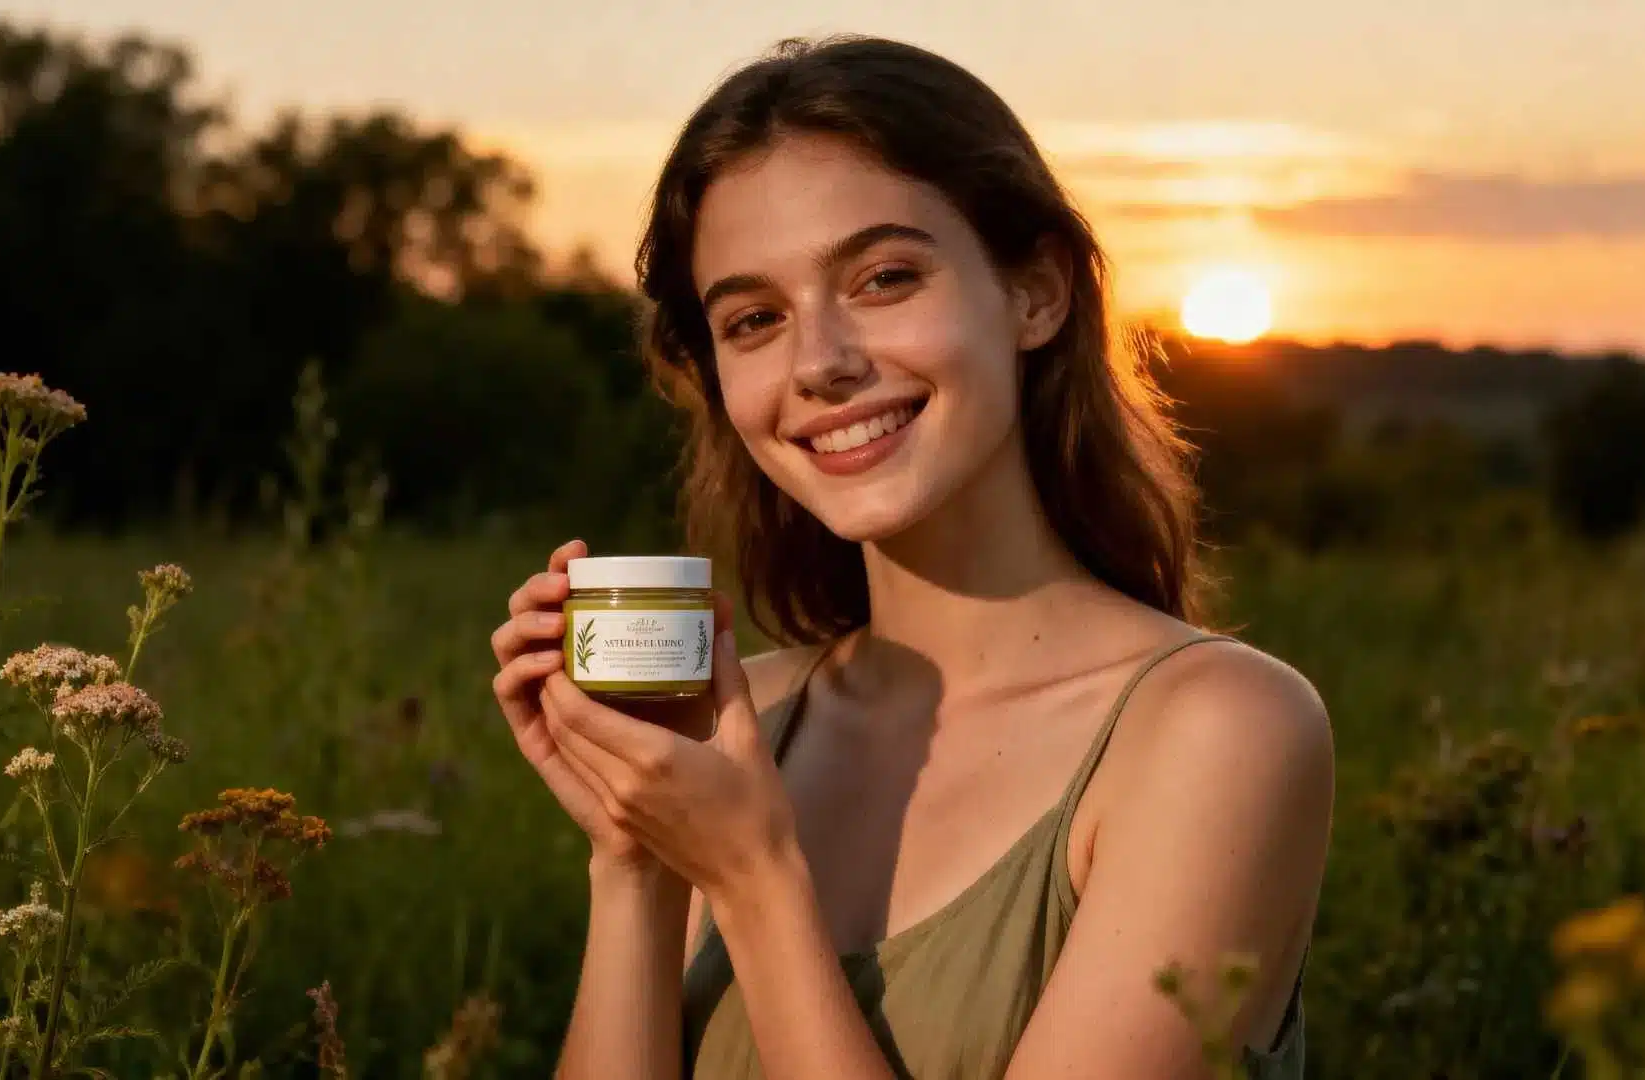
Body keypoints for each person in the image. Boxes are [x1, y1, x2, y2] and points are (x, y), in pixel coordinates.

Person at [488, 33, 1334, 1080]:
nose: (822, 364)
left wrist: (754, 882)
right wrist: (637, 865)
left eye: (884, 278)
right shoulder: (737, 726)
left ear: (1037, 293)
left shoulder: (1217, 733)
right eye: (754, 319)